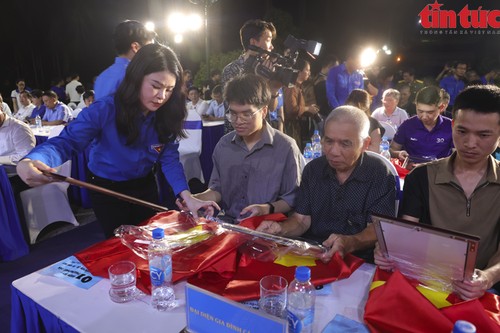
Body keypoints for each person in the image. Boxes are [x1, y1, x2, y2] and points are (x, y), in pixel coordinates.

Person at [16, 44, 218, 238]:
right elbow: (67, 142)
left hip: (145, 185)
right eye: (155, 86)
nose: (161, 96)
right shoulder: (105, 109)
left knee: (151, 241)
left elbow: (169, 158)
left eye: (169, 89)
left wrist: (186, 195)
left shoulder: (167, 114)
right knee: (118, 245)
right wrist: (31, 159)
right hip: (107, 189)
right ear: (137, 79)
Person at [376, 85, 500, 299]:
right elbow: (407, 233)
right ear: (452, 126)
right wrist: (389, 250)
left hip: (486, 290)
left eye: (483, 135)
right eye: (462, 131)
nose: (470, 143)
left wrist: (488, 277)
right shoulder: (421, 177)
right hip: (425, 283)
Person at [257, 106, 396, 262]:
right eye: (328, 141)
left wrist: (349, 242)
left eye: (345, 144)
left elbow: (377, 229)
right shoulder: (313, 169)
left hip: (357, 260)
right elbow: (301, 220)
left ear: (365, 144)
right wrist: (280, 229)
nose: (334, 151)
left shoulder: (379, 174)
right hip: (312, 254)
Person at [186, 74, 303, 221]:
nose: (238, 121)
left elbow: (292, 198)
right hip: (229, 226)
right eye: (233, 114)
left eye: (246, 114)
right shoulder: (224, 145)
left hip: (267, 228)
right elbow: (217, 190)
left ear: (264, 111)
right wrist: (195, 198)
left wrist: (266, 208)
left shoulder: (285, 147)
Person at [221, 19, 280, 134]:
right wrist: (262, 82)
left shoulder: (267, 68)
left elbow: (271, 108)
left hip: (262, 135)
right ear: (253, 42)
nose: (272, 46)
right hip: (238, 138)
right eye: (268, 40)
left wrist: (274, 89)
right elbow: (235, 108)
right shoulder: (232, 70)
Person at [390, 86, 454, 168]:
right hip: (411, 172)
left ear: (441, 107)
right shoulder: (408, 125)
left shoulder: (451, 126)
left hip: (441, 173)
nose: (424, 116)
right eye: (420, 111)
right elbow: (392, 149)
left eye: (430, 112)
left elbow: (459, 156)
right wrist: (398, 153)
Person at [94, 20, 157, 100]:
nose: (153, 53)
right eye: (150, 48)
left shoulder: (101, 77)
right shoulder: (136, 76)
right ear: (135, 47)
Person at [283, 58, 320, 149]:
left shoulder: (298, 87)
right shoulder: (291, 87)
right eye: (307, 70)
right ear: (299, 72)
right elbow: (291, 110)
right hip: (290, 128)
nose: (309, 73)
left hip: (295, 127)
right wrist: (307, 109)